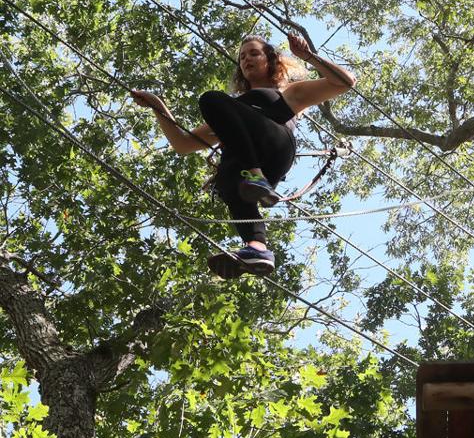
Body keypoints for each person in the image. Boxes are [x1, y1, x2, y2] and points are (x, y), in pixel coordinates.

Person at [132, 31, 355, 278]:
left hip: (274, 144)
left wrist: (308, 56)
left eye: (254, 53)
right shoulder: (230, 114)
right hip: (249, 169)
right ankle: (258, 249)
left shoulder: (289, 93)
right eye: (241, 57)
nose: (246, 59)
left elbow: (345, 83)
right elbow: (183, 144)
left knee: (211, 99)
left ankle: (254, 176)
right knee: (229, 182)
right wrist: (157, 106)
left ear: (271, 60)